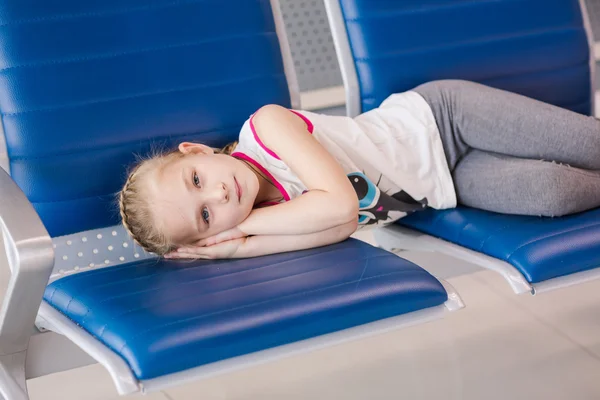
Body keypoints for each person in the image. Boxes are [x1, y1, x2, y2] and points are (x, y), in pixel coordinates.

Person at [118, 80, 600, 260]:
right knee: (553, 195)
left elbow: (341, 203)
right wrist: (232, 252)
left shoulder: (266, 128)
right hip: (449, 184)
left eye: (197, 180)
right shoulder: (280, 216)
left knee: (590, 144)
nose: (219, 196)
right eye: (205, 216)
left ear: (196, 150)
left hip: (443, 118)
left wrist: (240, 227)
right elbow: (341, 226)